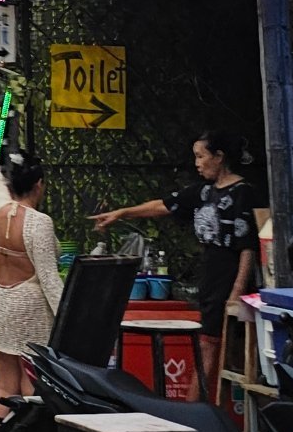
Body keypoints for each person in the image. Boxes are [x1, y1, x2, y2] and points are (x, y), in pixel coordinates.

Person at [89, 128, 270, 329]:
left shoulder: (242, 193)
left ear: (219, 157)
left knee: (228, 336)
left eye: (201, 156)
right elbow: (162, 205)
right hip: (210, 275)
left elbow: (248, 247)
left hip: (231, 275)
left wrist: (237, 290)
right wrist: (121, 213)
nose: (197, 163)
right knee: (208, 333)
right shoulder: (203, 191)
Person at [0, 150, 63, 432]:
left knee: (5, 386)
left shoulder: (1, 211)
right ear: (39, 184)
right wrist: (68, 321)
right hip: (28, 309)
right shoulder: (38, 222)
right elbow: (49, 280)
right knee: (32, 387)